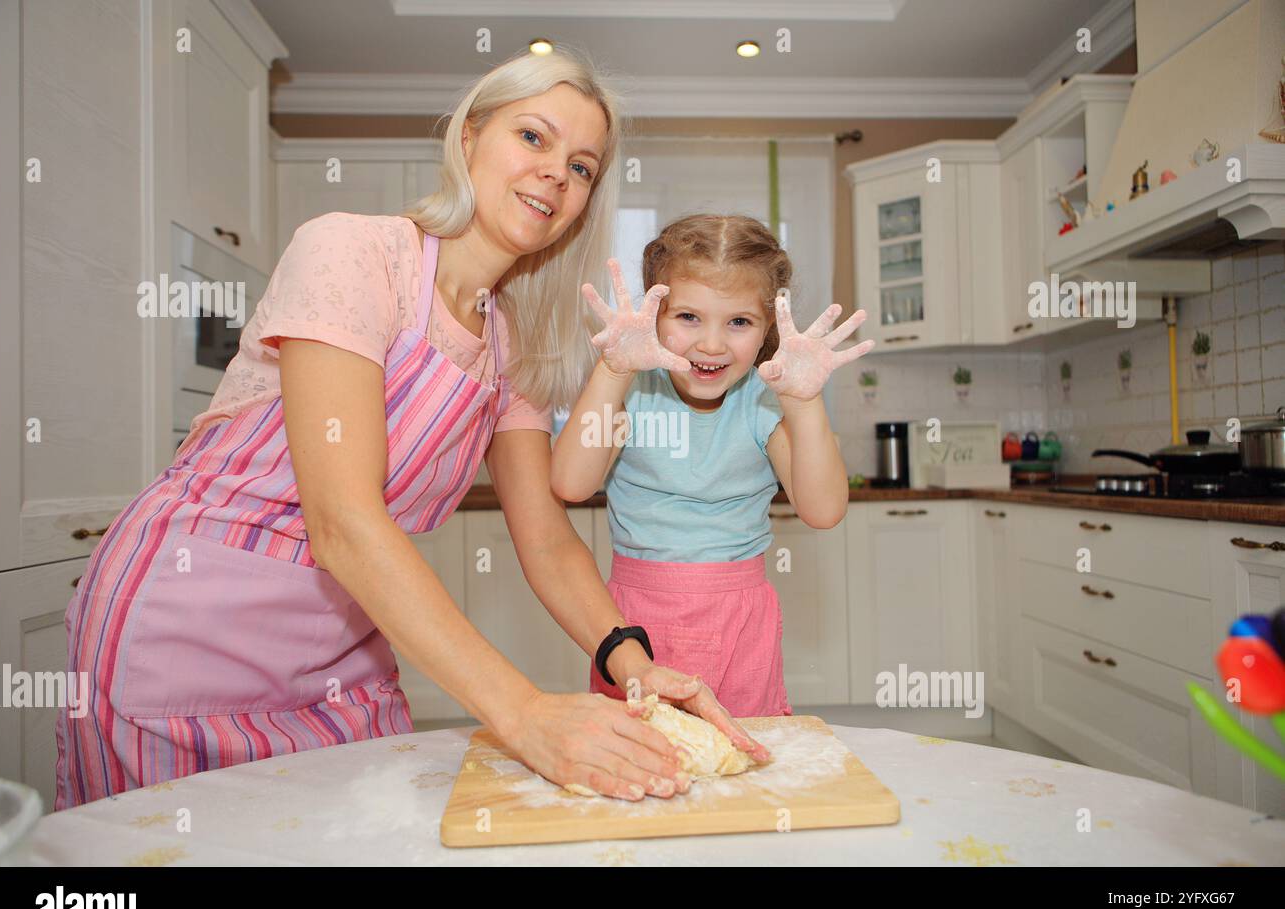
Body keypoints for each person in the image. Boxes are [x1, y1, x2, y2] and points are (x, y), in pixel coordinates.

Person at [57, 50, 768, 811]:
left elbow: (546, 538)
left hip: (339, 649)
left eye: (583, 166)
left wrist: (631, 660)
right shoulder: (354, 253)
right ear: (469, 140)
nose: (557, 174)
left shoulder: (511, 342)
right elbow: (343, 522)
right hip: (189, 633)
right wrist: (524, 714)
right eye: (533, 138)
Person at [551, 214, 875, 716]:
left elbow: (823, 509)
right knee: (638, 762)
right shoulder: (632, 391)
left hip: (741, 621)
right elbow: (571, 482)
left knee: (742, 763)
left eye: (739, 322)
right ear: (654, 314)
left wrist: (807, 403)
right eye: (688, 317)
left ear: (768, 327)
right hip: (634, 625)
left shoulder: (765, 402)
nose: (712, 344)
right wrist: (613, 370)